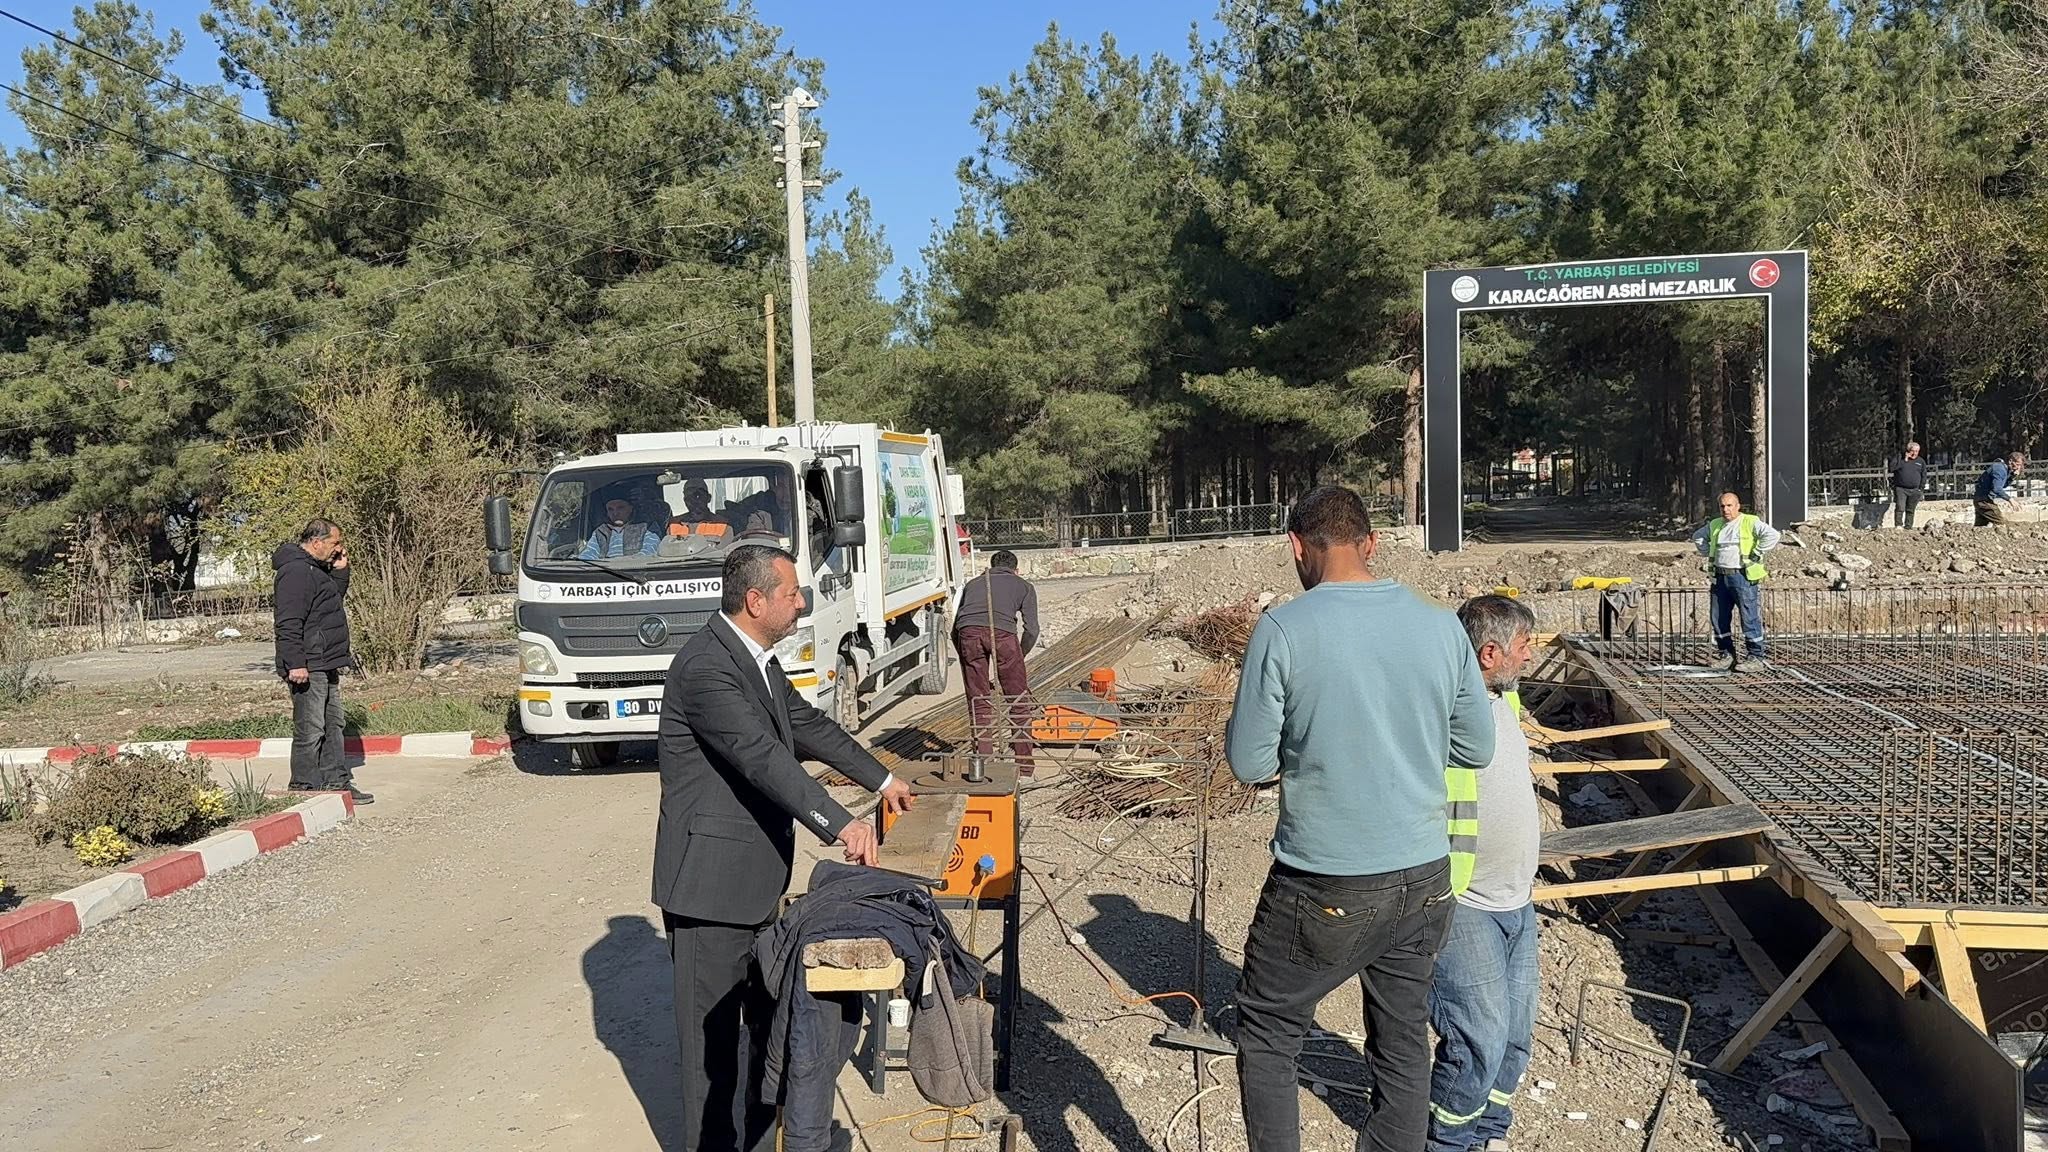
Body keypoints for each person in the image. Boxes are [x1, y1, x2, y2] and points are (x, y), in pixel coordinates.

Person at [1225, 486, 1494, 1152]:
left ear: (1296, 547)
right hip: (1426, 875)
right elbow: (1477, 747)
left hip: (1326, 882)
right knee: (1402, 1036)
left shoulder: (1284, 629)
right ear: (1372, 544)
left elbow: (1250, 762)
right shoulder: (1440, 626)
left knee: (1267, 1034)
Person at [652, 543, 913, 1152]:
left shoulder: (758, 660)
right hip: (709, 893)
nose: (802, 603)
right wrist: (840, 823)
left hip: (756, 884)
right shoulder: (706, 669)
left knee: (769, 1033)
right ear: (755, 600)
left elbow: (809, 727)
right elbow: (761, 758)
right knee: (711, 1059)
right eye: (792, 594)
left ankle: (758, 1141)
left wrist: (883, 779)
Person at [1430, 595, 1540, 1152]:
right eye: (1524, 645)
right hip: (1464, 901)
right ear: (1491, 652)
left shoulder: (1503, 697)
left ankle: (1488, 1136)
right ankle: (1446, 1145)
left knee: (1514, 1040)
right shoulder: (1442, 707)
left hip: (1518, 901)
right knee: (1479, 1038)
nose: (1532, 653)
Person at [271, 518, 371, 804]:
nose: (338, 548)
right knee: (311, 727)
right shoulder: (296, 572)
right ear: (316, 542)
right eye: (334, 543)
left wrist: (341, 571)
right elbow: (288, 622)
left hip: (325, 661)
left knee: (333, 723)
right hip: (308, 663)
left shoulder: (316, 570)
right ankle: (304, 786)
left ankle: (336, 782)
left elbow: (329, 604)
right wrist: (295, 663)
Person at [951, 549, 1039, 776]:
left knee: (979, 700)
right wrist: (1020, 654)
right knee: (1018, 701)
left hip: (967, 635)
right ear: (1016, 570)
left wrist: (965, 655)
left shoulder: (973, 583)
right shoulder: (1024, 586)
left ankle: (984, 761)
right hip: (1003, 636)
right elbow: (1032, 630)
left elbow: (955, 626)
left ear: (989, 567)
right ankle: (1025, 767)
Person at [1690, 492, 1780, 673]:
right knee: (1719, 618)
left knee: (1749, 617)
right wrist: (1708, 551)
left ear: (1738, 506)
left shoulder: (1749, 522)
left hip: (1743, 577)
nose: (1726, 509)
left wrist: (1757, 552)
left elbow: (1772, 535)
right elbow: (1698, 537)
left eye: (1729, 505)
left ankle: (1756, 656)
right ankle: (1726, 654)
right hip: (1720, 577)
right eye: (1722, 506)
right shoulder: (1715, 525)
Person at [581, 496, 660, 559]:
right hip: (603, 573)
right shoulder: (600, 531)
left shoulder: (647, 527)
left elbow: (649, 552)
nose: (615, 513)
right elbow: (590, 553)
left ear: (630, 508)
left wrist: (624, 562)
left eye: (620, 508)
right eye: (610, 509)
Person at [1975, 452, 2027, 526]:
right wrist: (2010, 499)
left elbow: (2003, 485)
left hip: (1983, 500)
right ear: (2010, 461)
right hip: (1983, 500)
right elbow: (1997, 489)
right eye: (2018, 464)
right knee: (2001, 522)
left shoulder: (2004, 469)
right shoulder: (1999, 469)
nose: (2018, 468)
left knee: (1980, 527)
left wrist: (2012, 477)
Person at [1891, 441, 1926, 529]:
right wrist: (1905, 460)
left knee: (1911, 509)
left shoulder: (1921, 461)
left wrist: (1921, 489)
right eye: (1912, 451)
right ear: (1908, 450)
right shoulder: (1900, 459)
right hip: (1901, 489)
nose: (1914, 453)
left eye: (1917, 451)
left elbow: (1924, 475)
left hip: (1915, 490)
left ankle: (1908, 526)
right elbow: (1892, 468)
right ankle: (1898, 525)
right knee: (1900, 507)